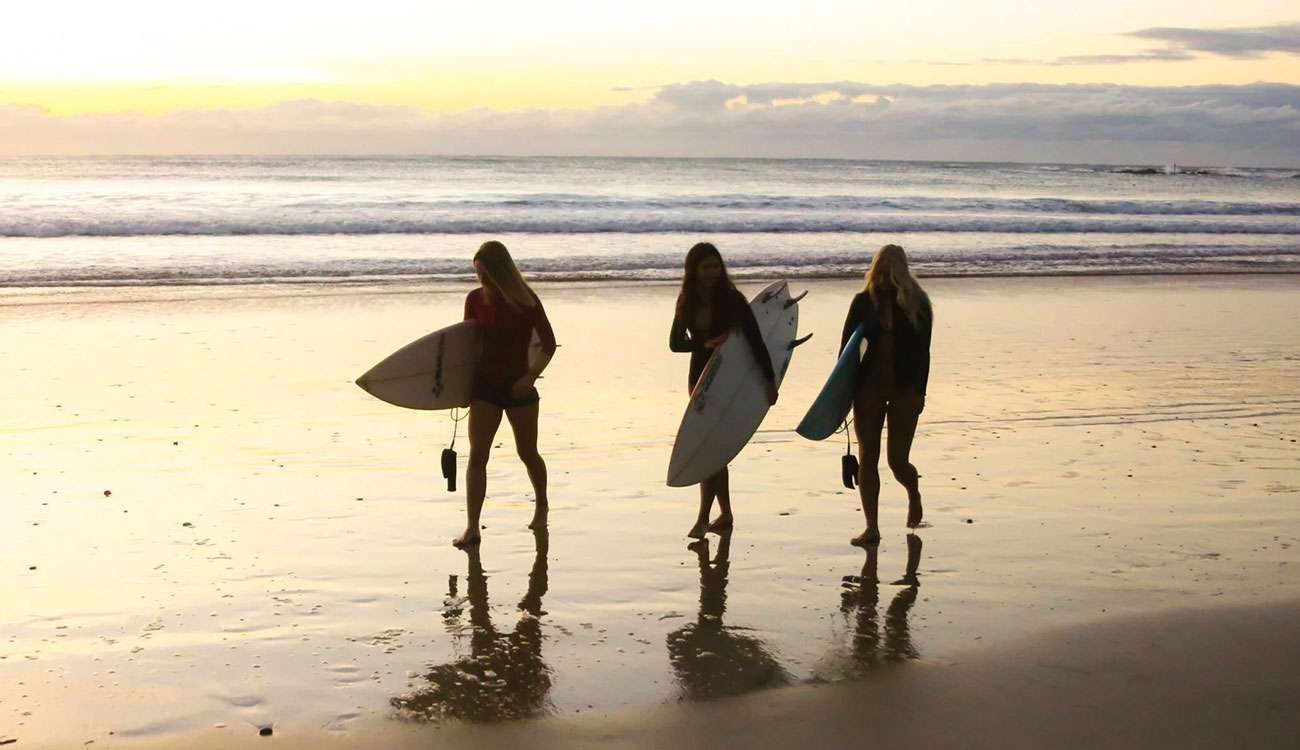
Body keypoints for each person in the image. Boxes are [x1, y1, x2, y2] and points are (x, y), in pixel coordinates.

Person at [669, 242, 778, 539]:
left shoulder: (732, 299)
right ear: (694, 270)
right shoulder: (687, 301)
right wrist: (703, 343)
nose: (714, 272)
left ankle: (703, 518)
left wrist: (770, 380)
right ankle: (725, 513)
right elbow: (675, 343)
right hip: (700, 380)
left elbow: (755, 340)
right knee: (714, 445)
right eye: (707, 267)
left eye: (716, 266)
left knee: (713, 447)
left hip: (728, 378)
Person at [454, 240, 557, 548]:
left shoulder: (526, 300)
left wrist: (530, 377)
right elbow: (466, 345)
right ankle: (472, 526)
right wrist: (459, 389)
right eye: (477, 272)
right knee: (477, 456)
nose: (481, 278)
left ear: (500, 270)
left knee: (527, 452)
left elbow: (548, 344)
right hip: (485, 386)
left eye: (485, 272)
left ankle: (542, 506)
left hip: (518, 386)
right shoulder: (474, 299)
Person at [842, 244, 932, 546]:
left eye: (888, 275)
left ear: (900, 274)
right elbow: (845, 352)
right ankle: (872, 527)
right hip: (869, 386)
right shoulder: (863, 302)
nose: (881, 280)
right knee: (868, 457)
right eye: (878, 273)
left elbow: (924, 354)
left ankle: (913, 493)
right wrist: (842, 395)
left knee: (897, 462)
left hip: (905, 389)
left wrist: (920, 393)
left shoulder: (918, 303)